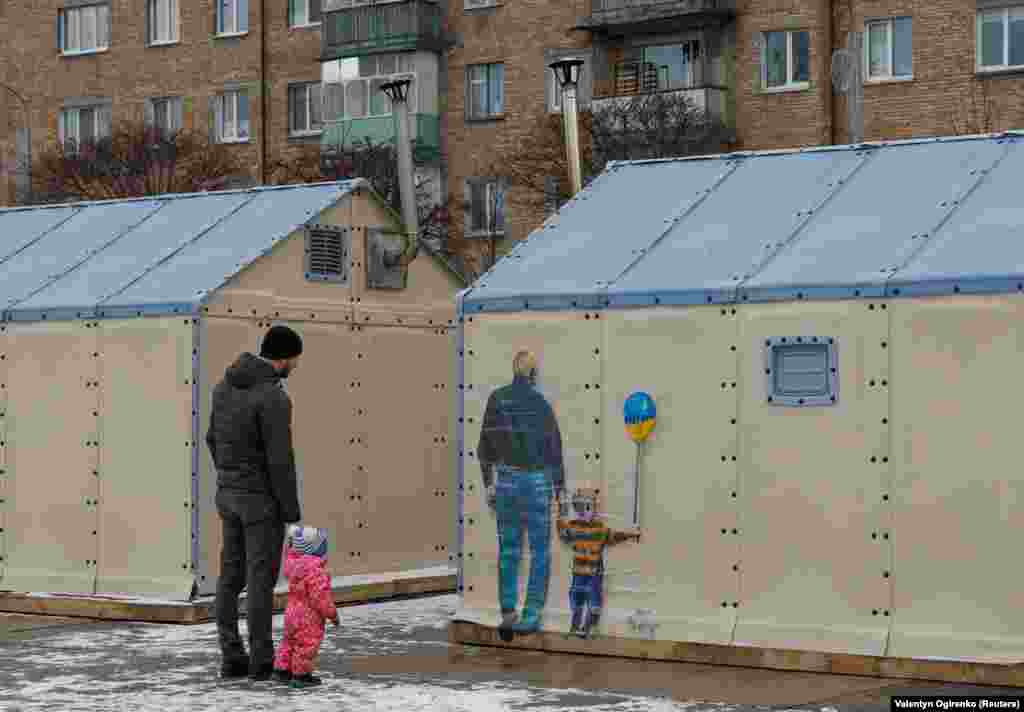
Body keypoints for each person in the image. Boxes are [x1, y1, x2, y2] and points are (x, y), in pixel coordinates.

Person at [206, 324, 304, 681]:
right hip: (261, 504)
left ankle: (232, 656)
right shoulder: (273, 397)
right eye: (295, 359)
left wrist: (230, 476)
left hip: (228, 496)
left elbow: (212, 438)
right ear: (283, 358)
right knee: (260, 579)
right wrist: (290, 509)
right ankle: (262, 661)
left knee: (230, 577)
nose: (295, 365)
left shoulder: (223, 388)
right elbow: (281, 461)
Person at [477, 350, 566, 635]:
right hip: (538, 481)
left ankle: (507, 610)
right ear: (533, 374)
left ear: (513, 370)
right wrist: (560, 491)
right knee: (540, 550)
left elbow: (484, 447)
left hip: (506, 479)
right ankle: (531, 616)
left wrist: (489, 483)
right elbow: (555, 451)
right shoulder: (541, 405)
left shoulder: (497, 399)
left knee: (509, 548)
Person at [273, 526, 340, 688]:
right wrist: (333, 615)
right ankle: (301, 675)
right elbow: (320, 598)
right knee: (306, 644)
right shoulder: (316, 572)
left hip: (291, 613)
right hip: (309, 617)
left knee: (288, 642)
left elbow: (289, 551)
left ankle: (282, 671)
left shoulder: (293, 566)